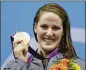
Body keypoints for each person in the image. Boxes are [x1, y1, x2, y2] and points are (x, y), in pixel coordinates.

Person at [4, 3, 85, 70]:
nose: (49, 33)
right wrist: (20, 64)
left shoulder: (80, 66)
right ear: (35, 27)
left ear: (63, 31)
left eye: (55, 28)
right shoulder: (11, 67)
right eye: (44, 26)